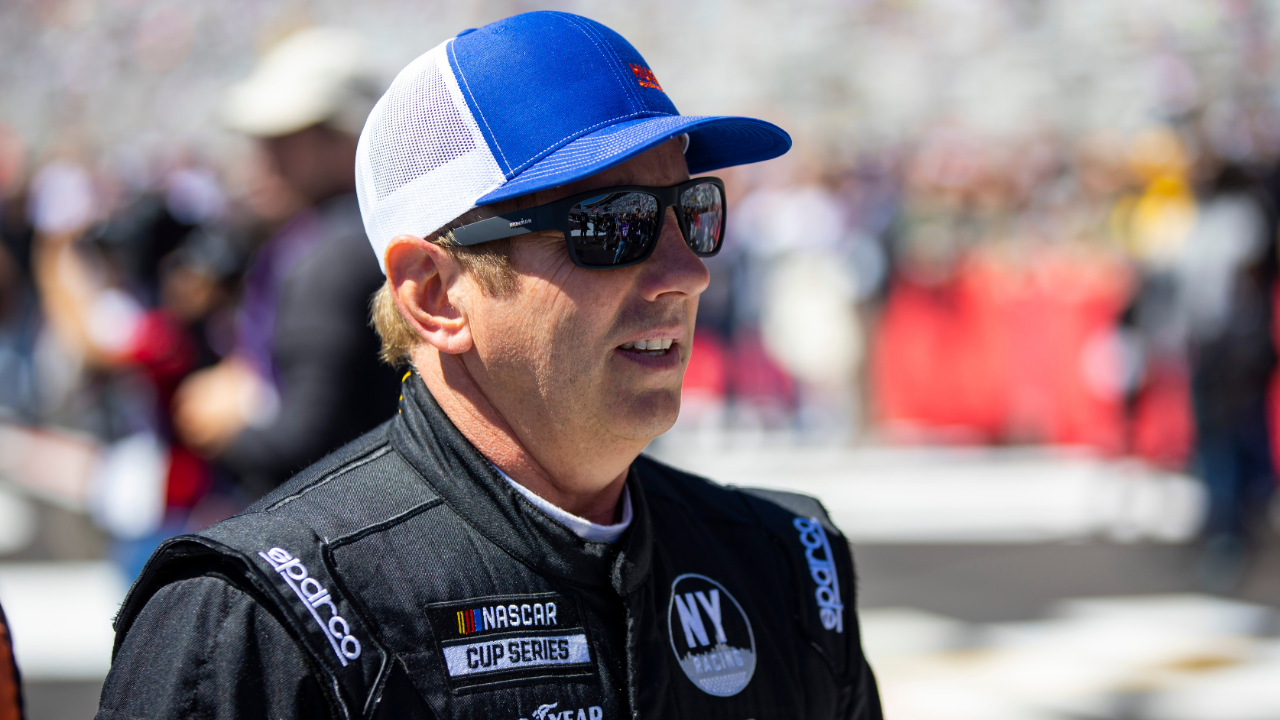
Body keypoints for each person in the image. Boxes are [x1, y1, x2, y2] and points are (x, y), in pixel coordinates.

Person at [97, 12, 882, 719]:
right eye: (614, 226)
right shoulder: (262, 617)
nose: (687, 272)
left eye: (695, 211)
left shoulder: (786, 566)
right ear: (435, 293)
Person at [171, 28, 401, 496]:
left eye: (285, 139)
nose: (264, 158)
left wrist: (226, 427)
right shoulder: (368, 231)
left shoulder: (330, 256)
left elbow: (306, 439)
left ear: (345, 138)